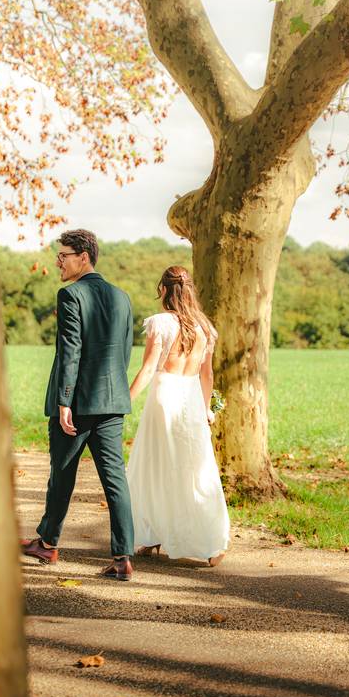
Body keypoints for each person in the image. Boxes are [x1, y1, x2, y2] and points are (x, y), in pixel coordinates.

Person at [21, 229, 135, 581]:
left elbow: (71, 350)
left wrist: (64, 401)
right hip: (112, 401)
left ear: (83, 257)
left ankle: (48, 543)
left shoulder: (71, 294)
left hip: (78, 404)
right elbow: (125, 351)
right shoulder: (122, 297)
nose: (58, 261)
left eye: (64, 255)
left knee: (62, 473)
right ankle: (123, 557)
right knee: (115, 480)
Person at [126, 265, 230, 564]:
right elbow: (207, 375)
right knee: (196, 468)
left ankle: (151, 534)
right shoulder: (205, 328)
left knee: (155, 467)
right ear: (189, 291)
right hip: (191, 397)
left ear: (163, 289)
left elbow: (148, 369)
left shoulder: (160, 323)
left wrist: (126, 401)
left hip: (164, 396)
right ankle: (210, 544)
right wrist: (206, 408)